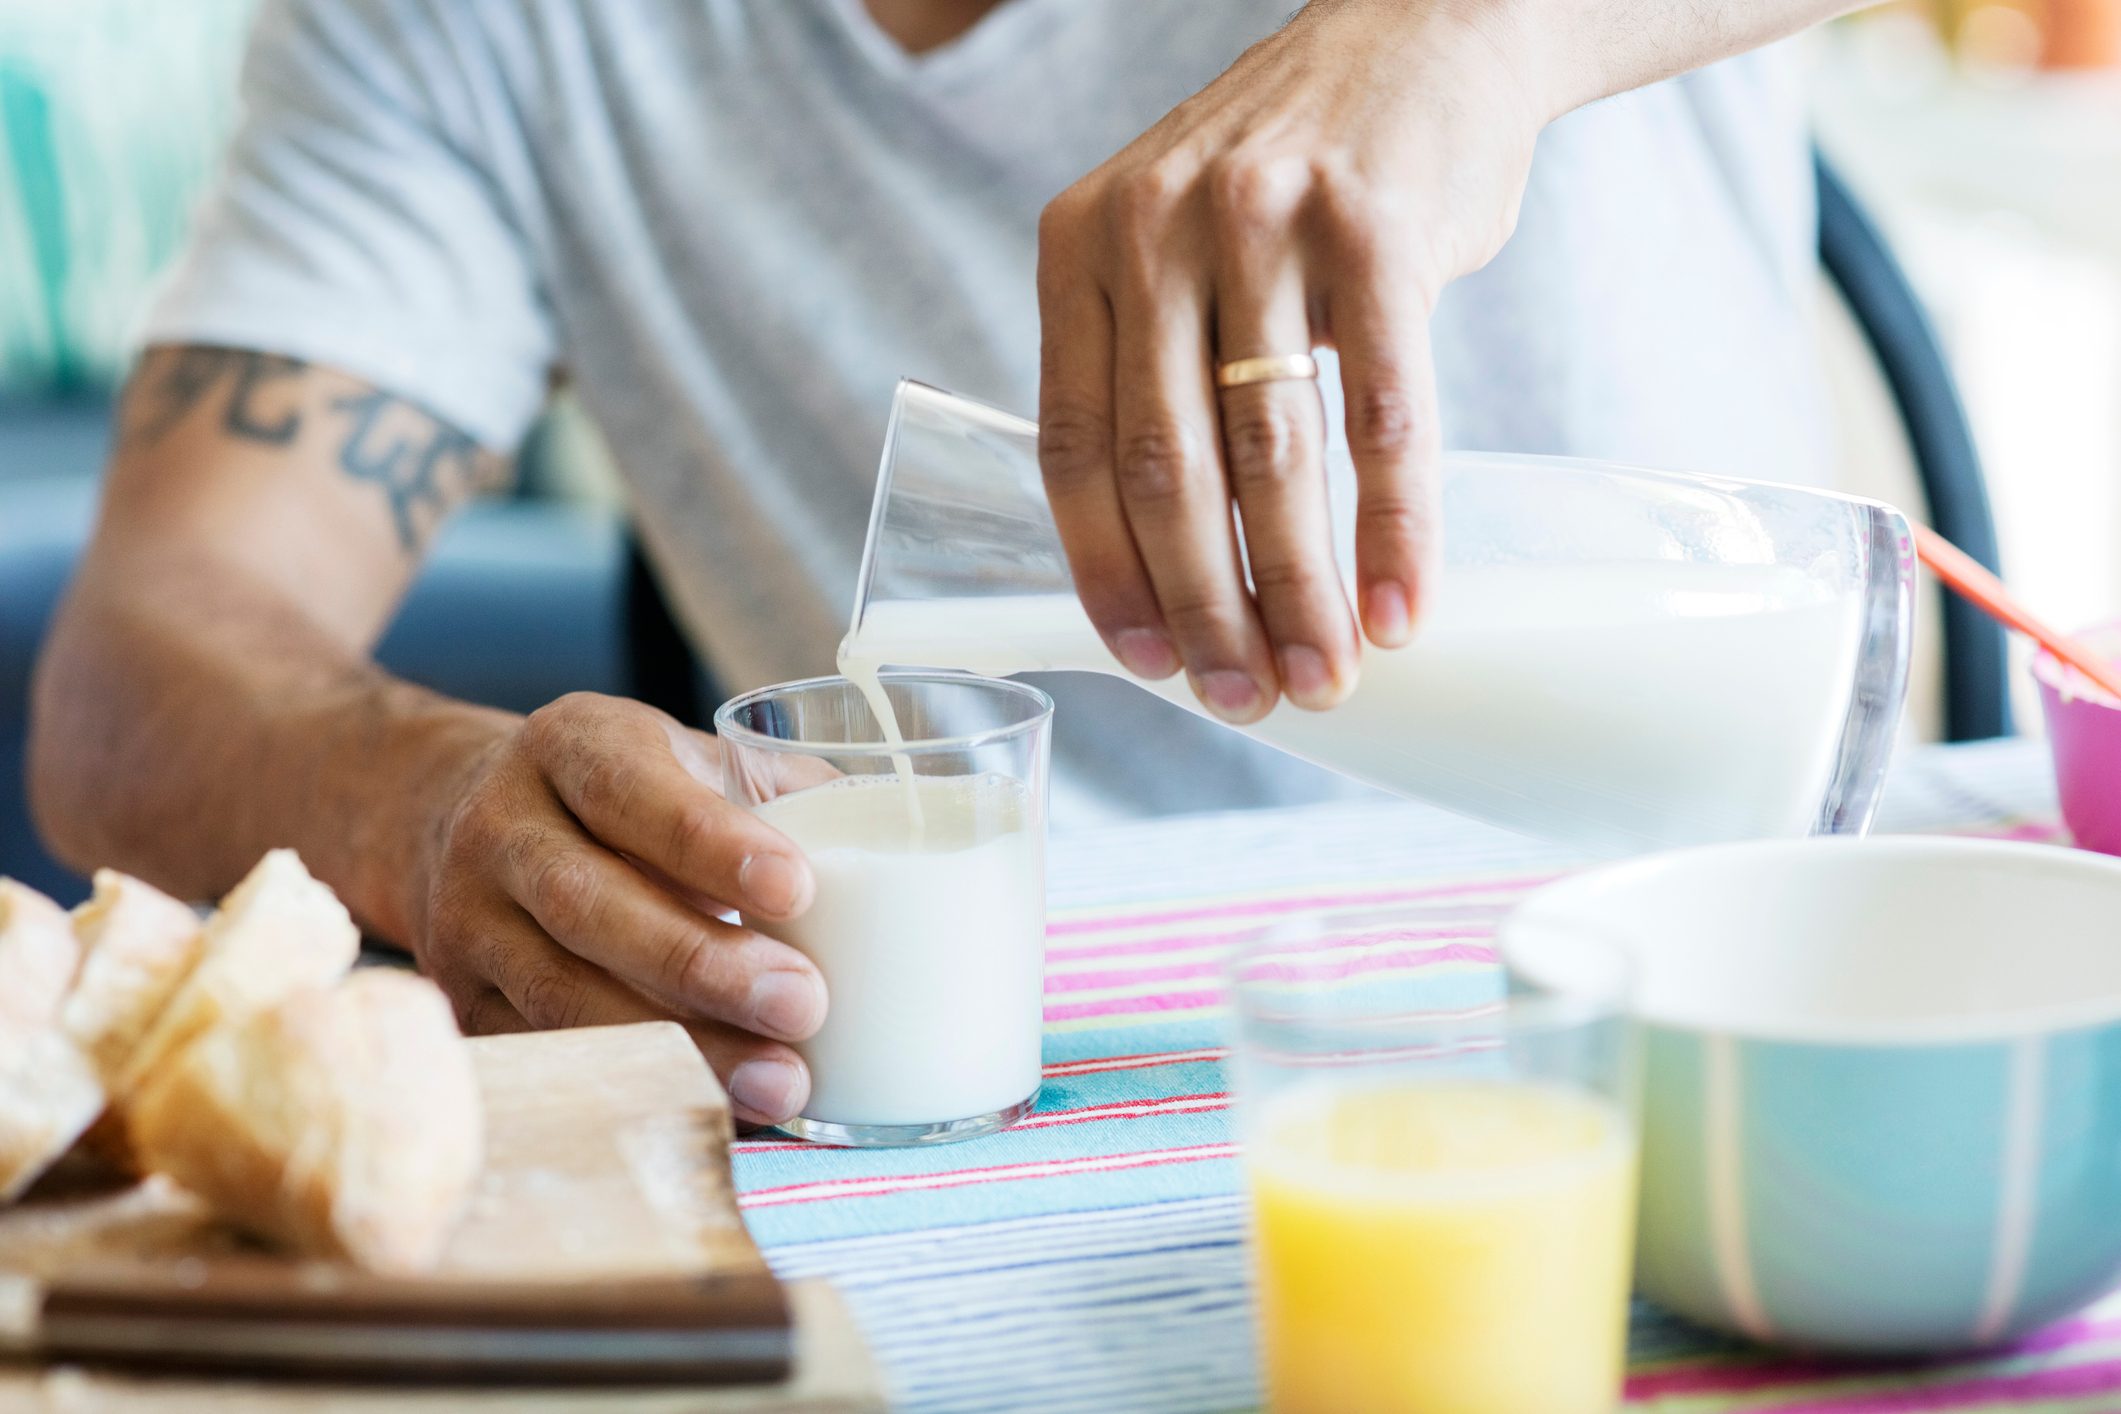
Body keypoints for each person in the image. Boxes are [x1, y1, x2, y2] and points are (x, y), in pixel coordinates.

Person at [30, 0, 1858, 1125]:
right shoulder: (466, 29)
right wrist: (424, 810)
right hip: (987, 1085)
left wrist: (1470, 30)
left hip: (1721, 958)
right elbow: (134, 683)